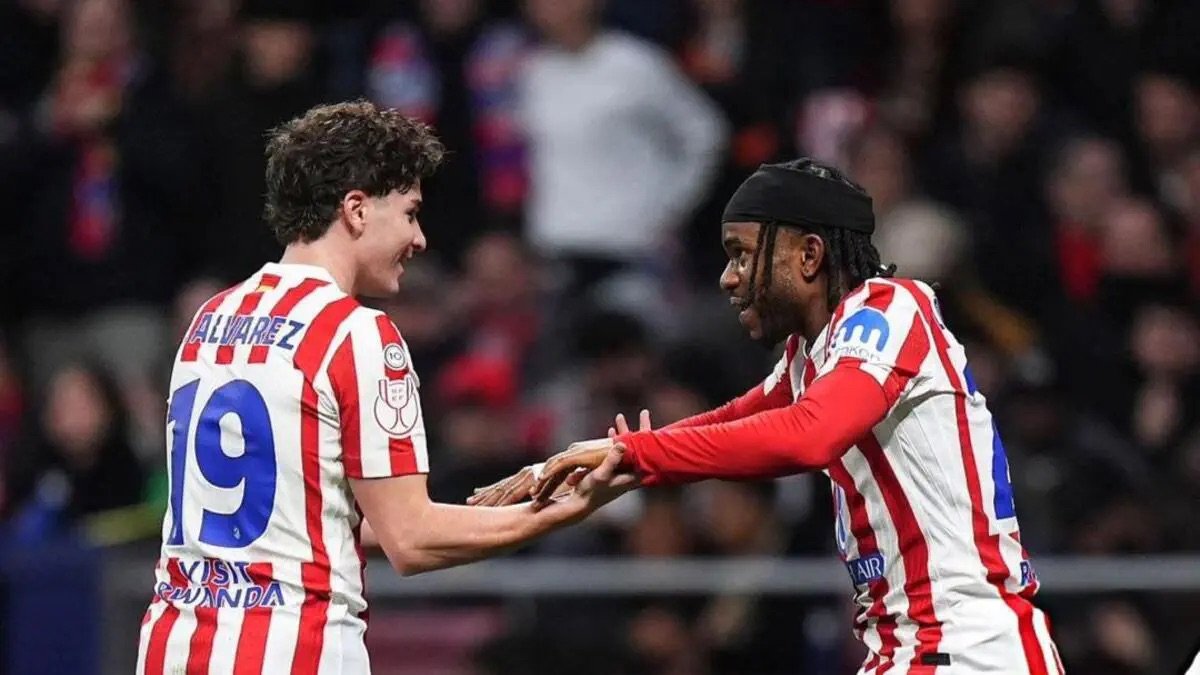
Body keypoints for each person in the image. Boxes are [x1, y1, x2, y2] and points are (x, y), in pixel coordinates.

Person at [472, 158, 1064, 673]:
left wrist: (640, 454)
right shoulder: (816, 351)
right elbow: (741, 415)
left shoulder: (889, 308)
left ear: (808, 255)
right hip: (911, 648)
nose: (728, 278)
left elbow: (810, 435)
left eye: (741, 255)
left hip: (970, 649)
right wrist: (608, 458)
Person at [136, 100, 631, 675]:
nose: (420, 239)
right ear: (356, 210)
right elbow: (411, 539)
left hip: (174, 645)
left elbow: (302, 521)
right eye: (411, 213)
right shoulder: (356, 333)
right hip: (296, 648)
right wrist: (568, 509)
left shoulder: (210, 320)